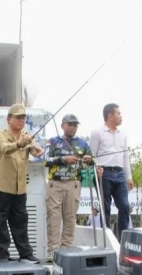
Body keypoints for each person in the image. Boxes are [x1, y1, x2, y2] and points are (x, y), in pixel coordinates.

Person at [0, 104, 43, 263]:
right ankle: (3, 254)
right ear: (9, 119)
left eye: (23, 118)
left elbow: (34, 149)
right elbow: (5, 149)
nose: (21, 121)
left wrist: (36, 149)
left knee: (21, 221)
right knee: (0, 222)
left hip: (20, 188)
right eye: (18, 118)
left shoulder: (27, 135)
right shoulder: (2, 134)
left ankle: (25, 253)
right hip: (1, 186)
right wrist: (19, 143)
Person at [44, 114, 92, 262]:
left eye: (75, 125)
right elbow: (45, 160)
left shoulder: (83, 143)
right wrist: (63, 159)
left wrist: (88, 160)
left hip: (73, 183)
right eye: (69, 124)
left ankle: (67, 250)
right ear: (62, 125)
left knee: (70, 218)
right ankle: (53, 251)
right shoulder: (52, 142)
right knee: (53, 218)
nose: (72, 127)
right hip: (55, 183)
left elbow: (92, 161)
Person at [90, 103, 134, 241]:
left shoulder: (123, 135)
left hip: (120, 173)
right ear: (110, 116)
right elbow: (92, 155)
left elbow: (125, 156)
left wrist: (129, 177)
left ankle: (123, 240)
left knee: (125, 206)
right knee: (105, 209)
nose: (121, 116)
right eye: (118, 114)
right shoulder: (97, 132)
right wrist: (96, 168)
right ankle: (107, 239)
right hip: (104, 173)